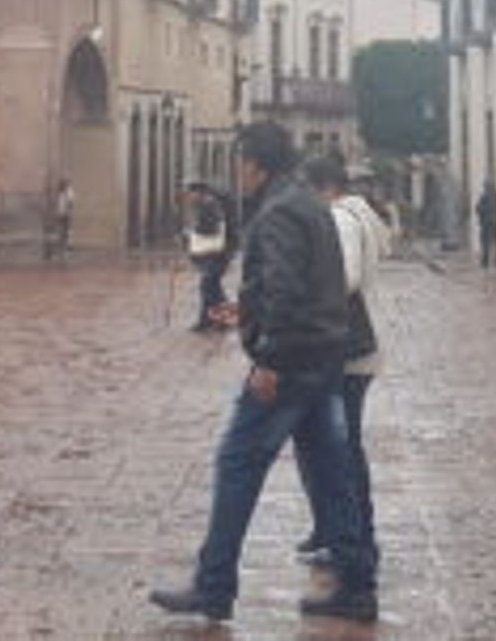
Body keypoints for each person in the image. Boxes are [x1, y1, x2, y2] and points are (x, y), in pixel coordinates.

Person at [149, 121, 377, 624]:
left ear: (254, 165)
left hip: (290, 364)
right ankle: (358, 584)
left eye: (239, 162)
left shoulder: (277, 213)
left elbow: (286, 289)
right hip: (323, 357)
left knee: (237, 462)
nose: (237, 172)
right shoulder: (310, 204)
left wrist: (269, 358)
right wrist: (248, 312)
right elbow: (305, 286)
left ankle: (213, 587)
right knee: (331, 472)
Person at [294, 155, 391, 570]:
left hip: (344, 351)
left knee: (340, 448)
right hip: (349, 348)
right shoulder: (356, 214)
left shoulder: (340, 219)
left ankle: (355, 537)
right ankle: (333, 530)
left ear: (323, 188)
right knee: (331, 445)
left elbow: (344, 277)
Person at [183, 182, 231, 331]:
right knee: (213, 288)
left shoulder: (209, 205)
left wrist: (192, 230)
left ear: (199, 192)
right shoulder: (203, 205)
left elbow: (212, 228)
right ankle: (219, 320)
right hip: (209, 254)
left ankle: (208, 321)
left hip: (214, 254)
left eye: (191, 193)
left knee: (208, 287)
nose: (189, 196)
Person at [476, 179, 496, 269]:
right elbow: (478, 209)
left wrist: (483, 217)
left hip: (489, 223)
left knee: (489, 243)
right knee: (491, 244)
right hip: (493, 223)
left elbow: (478, 209)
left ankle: (490, 262)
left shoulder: (486, 197)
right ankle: (493, 262)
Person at [45, 179, 75, 259]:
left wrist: (67, 212)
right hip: (60, 214)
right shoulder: (60, 194)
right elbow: (58, 204)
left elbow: (70, 204)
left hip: (64, 215)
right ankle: (52, 251)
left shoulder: (67, 193)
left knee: (64, 232)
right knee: (58, 232)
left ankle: (64, 250)